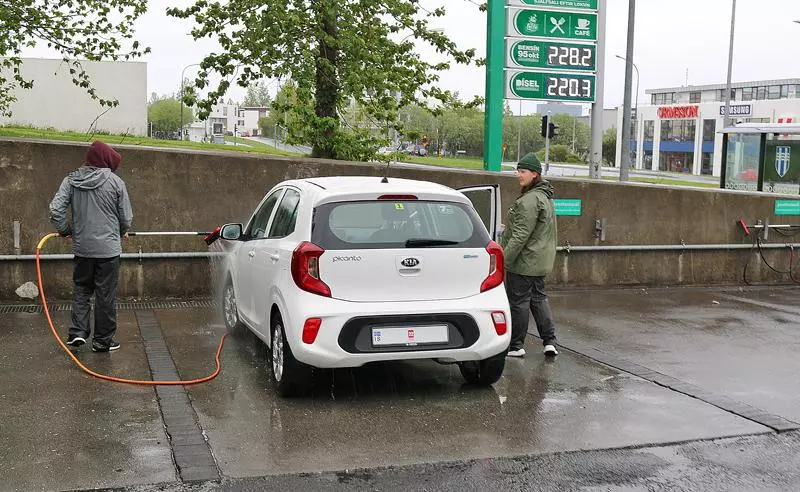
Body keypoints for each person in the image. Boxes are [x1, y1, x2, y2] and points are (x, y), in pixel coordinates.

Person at [49, 140, 133, 352]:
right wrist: (121, 231)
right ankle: (102, 341)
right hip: (108, 251)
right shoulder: (116, 183)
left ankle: (77, 332)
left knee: (81, 289)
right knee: (105, 295)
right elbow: (126, 217)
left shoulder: (71, 180)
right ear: (105, 160)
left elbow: (56, 210)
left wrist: (67, 230)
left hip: (83, 248)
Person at [499, 152, 558, 358]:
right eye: (518, 171)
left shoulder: (529, 200)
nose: (518, 175)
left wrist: (502, 260)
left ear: (535, 174)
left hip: (525, 261)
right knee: (538, 299)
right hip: (541, 260)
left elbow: (520, 236)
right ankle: (550, 341)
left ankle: (516, 346)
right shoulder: (545, 197)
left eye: (523, 171)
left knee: (519, 301)